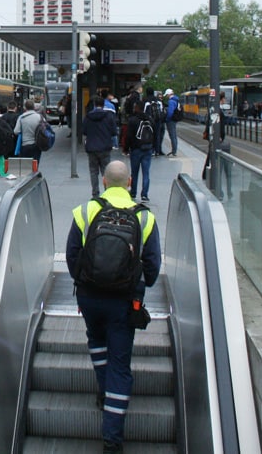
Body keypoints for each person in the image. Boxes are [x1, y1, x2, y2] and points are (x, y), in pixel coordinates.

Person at [65, 160, 162, 454]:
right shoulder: (145, 218)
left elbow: (72, 256)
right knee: (121, 363)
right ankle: (112, 439)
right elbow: (153, 268)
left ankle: (102, 388)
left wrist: (86, 284)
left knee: (96, 339)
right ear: (129, 183)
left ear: (105, 182)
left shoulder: (85, 211)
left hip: (89, 297)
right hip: (124, 301)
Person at [81, 96, 117, 199]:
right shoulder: (108, 116)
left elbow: (84, 131)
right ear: (103, 105)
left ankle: (95, 194)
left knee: (93, 171)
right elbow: (114, 132)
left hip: (91, 147)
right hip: (105, 147)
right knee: (106, 171)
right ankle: (107, 192)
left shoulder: (88, 116)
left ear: (95, 105)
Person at [126, 99, 155, 202]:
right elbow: (154, 134)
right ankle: (145, 194)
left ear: (136, 108)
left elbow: (128, 136)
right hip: (148, 148)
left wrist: (126, 148)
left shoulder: (132, 120)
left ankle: (133, 192)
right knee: (146, 172)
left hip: (136, 149)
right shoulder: (150, 119)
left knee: (134, 172)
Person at [13, 99, 42, 163]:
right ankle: (35, 172)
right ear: (34, 107)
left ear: (25, 108)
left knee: (25, 166)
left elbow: (16, 131)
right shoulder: (39, 117)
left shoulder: (21, 117)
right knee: (35, 164)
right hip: (37, 145)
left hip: (25, 145)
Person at [164, 88, 179, 156]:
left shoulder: (171, 101)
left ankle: (174, 151)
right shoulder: (176, 100)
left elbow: (170, 112)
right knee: (174, 135)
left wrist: (167, 119)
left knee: (172, 135)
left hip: (171, 121)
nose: (166, 96)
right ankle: (175, 150)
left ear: (169, 94)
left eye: (166, 95)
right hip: (174, 120)